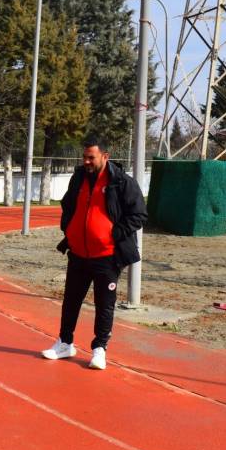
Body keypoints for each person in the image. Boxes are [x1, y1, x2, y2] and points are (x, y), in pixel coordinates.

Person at [41, 135, 148, 370]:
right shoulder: (79, 177)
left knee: (104, 305)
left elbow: (139, 214)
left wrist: (114, 233)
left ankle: (99, 350)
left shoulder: (122, 182)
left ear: (105, 156)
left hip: (107, 257)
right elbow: (68, 204)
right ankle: (65, 343)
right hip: (78, 254)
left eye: (91, 157)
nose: (86, 162)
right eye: (84, 157)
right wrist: (68, 228)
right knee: (71, 301)